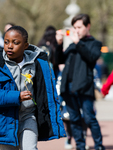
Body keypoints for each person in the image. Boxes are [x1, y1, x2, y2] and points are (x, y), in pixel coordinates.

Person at [0, 26, 66, 150]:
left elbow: (47, 90)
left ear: (25, 45)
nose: (10, 46)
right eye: (6, 42)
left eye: (15, 42)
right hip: (6, 119)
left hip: (28, 117)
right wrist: (17, 96)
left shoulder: (38, 64)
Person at [55, 14, 105, 150]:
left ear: (87, 26)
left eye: (79, 27)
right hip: (68, 87)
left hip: (84, 87)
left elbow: (92, 57)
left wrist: (78, 42)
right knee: (74, 119)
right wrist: (59, 44)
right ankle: (80, 146)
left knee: (89, 118)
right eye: (74, 27)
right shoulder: (72, 45)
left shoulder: (94, 43)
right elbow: (59, 60)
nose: (76, 30)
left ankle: (99, 145)